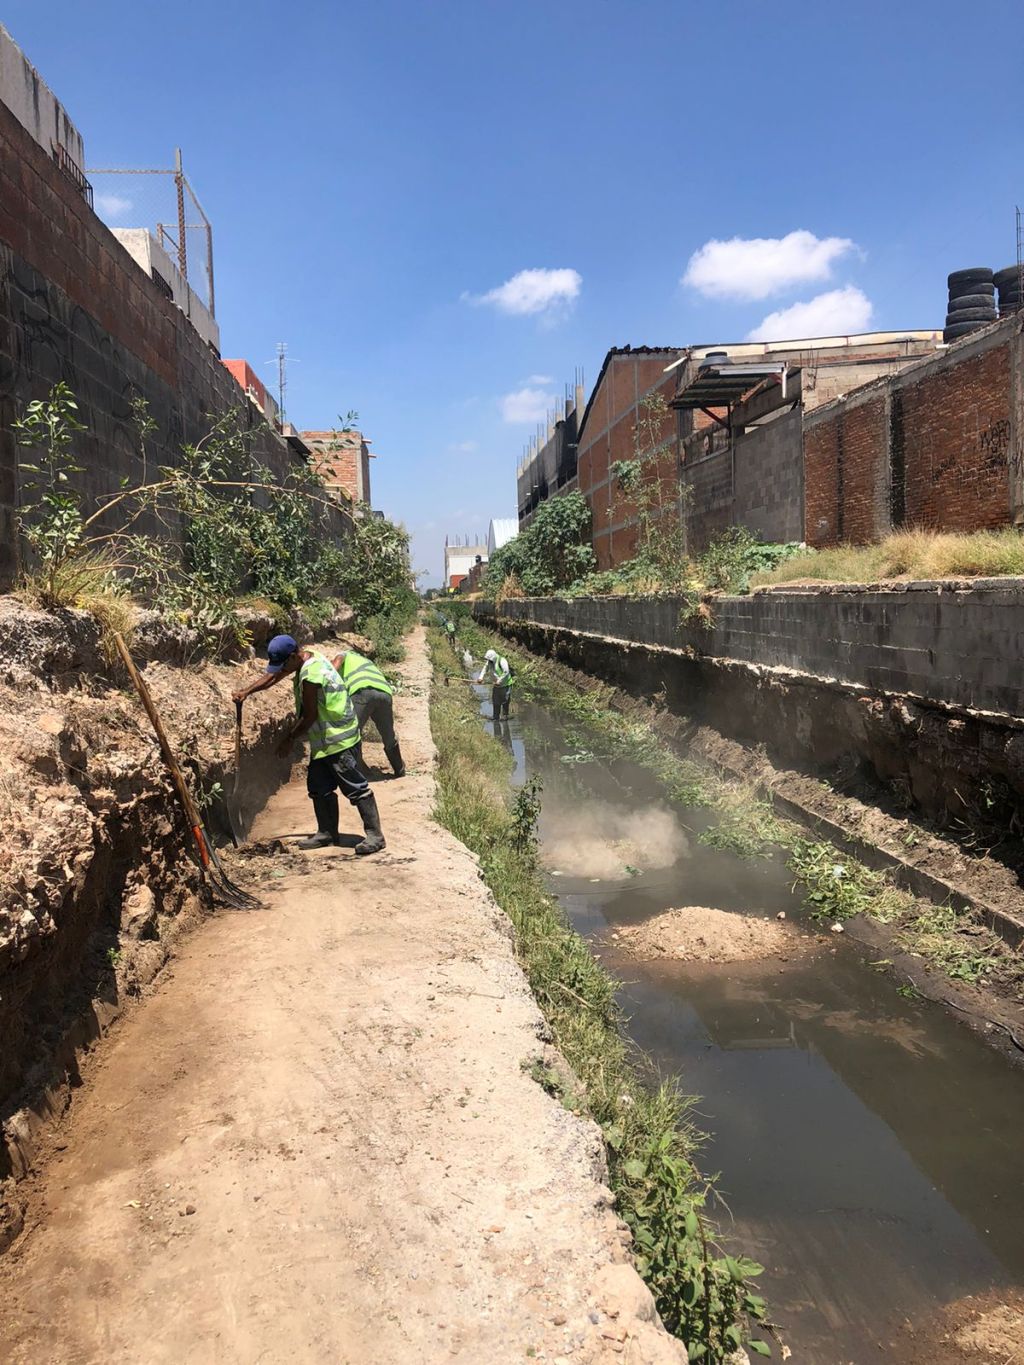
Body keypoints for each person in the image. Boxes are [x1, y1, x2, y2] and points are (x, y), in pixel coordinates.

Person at [232, 634, 385, 855]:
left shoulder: (311, 674)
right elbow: (274, 677)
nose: (282, 670)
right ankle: (327, 833)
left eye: (283, 664)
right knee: (318, 787)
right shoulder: (306, 657)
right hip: (325, 740)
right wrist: (246, 692)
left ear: (294, 656)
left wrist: (289, 739)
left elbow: (310, 715)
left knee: (354, 787)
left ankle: (375, 836)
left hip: (339, 738)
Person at [331, 647, 405, 778]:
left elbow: (335, 664)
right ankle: (399, 769)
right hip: (384, 692)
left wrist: (328, 675)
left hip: (362, 690)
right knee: (388, 734)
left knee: (352, 733)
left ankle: (360, 770)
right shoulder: (366, 662)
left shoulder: (344, 654)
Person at [477, 647, 513, 720]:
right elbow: (485, 669)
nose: (488, 661)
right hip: (496, 685)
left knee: (505, 701)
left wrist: (499, 680)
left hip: (505, 685)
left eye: (489, 659)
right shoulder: (489, 662)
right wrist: (480, 677)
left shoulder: (502, 660)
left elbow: (506, 672)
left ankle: (505, 716)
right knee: (496, 701)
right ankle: (495, 717)